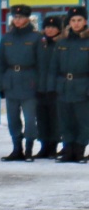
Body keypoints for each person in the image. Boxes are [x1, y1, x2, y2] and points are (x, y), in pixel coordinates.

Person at [0, 5, 42, 160]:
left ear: (27, 18)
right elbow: (1, 63)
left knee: (30, 119)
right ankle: (17, 148)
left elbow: (41, 63)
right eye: (15, 17)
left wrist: (39, 84)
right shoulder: (7, 38)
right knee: (12, 119)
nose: (17, 20)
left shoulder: (36, 37)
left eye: (21, 17)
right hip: (11, 81)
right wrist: (1, 84)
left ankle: (29, 148)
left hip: (29, 80)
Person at [55, 8, 89, 162]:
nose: (76, 24)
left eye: (79, 20)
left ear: (85, 22)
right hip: (64, 86)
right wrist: (53, 86)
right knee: (65, 120)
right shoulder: (62, 42)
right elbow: (53, 67)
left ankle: (80, 149)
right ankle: (68, 150)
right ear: (69, 23)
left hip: (83, 86)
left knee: (83, 121)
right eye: (73, 21)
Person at [37, 14, 65, 157]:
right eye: (47, 27)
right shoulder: (40, 44)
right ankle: (44, 146)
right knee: (41, 119)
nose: (50, 30)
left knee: (55, 119)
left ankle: (53, 145)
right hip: (40, 87)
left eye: (53, 27)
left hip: (55, 88)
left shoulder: (62, 44)